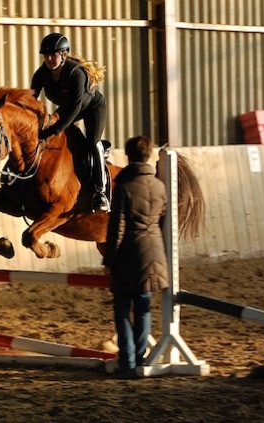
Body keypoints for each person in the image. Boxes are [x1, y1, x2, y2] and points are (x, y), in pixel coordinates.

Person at [103, 136, 169, 378]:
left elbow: (117, 228)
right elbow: (162, 218)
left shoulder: (124, 187)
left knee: (122, 309)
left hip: (129, 253)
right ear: (149, 155)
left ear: (128, 157)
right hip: (154, 253)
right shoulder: (161, 186)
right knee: (143, 308)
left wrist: (109, 260)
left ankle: (128, 362)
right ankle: (139, 360)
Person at [31, 32, 110, 213]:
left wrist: (56, 129)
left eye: (54, 54)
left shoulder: (76, 73)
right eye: (46, 55)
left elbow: (75, 108)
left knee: (92, 142)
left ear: (64, 54)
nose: (49, 59)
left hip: (91, 108)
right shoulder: (42, 74)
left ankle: (100, 192)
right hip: (69, 109)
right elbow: (31, 98)